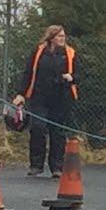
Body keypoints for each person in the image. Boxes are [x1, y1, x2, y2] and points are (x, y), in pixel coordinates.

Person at [13, 25, 80, 178]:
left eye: (63, 36)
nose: (62, 39)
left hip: (62, 97)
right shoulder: (38, 52)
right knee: (38, 128)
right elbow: (28, 73)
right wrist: (21, 94)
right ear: (51, 38)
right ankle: (36, 165)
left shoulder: (70, 53)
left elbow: (79, 75)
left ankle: (57, 167)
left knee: (58, 132)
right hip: (39, 96)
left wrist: (71, 78)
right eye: (59, 36)